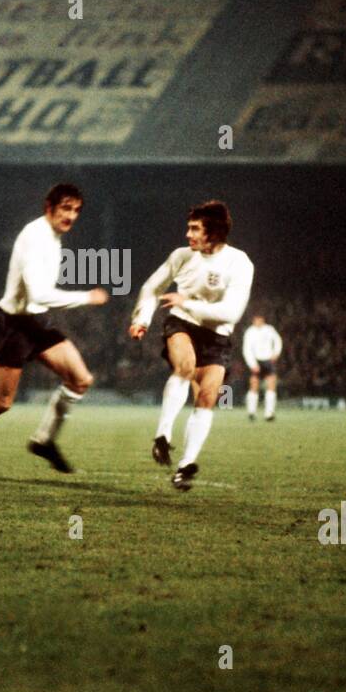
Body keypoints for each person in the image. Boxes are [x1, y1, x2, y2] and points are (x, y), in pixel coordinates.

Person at [0, 184, 108, 477]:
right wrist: (87, 297)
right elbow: (39, 294)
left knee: (80, 380)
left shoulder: (53, 237)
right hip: (13, 325)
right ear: (49, 208)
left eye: (76, 210)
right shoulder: (35, 237)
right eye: (66, 208)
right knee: (0, 403)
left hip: (36, 321)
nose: (71, 216)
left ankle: (44, 441)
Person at [129, 201, 254, 491]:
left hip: (218, 334)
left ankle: (185, 466)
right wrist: (143, 319)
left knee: (208, 397)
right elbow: (151, 288)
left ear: (214, 232)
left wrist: (188, 301)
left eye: (195, 228)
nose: (188, 234)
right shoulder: (182, 256)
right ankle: (162, 435)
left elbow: (232, 313)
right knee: (184, 367)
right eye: (189, 227)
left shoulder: (239, 263)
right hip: (182, 323)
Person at [242, 314, 282, 421]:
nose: (257, 321)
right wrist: (252, 364)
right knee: (254, 385)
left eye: (259, 319)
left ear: (263, 319)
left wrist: (276, 353)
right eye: (255, 319)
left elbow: (278, 341)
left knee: (271, 384)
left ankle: (269, 414)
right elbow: (247, 349)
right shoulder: (250, 332)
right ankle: (251, 412)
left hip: (268, 360)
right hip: (256, 361)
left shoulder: (269, 329)